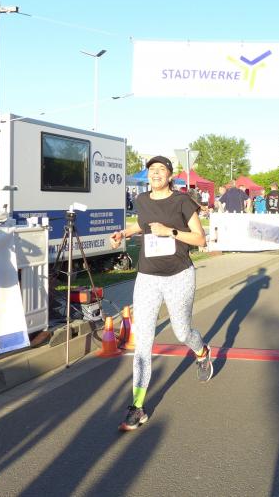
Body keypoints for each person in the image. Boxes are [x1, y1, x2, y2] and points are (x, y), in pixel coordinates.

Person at [109, 155, 213, 431]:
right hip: (147, 277)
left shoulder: (182, 201)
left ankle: (202, 351)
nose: (155, 173)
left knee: (181, 332)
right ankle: (137, 406)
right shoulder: (142, 200)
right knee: (143, 341)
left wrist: (171, 232)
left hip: (179, 275)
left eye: (161, 169)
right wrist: (124, 233)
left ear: (170, 175)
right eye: (151, 169)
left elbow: (200, 239)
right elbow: (142, 225)